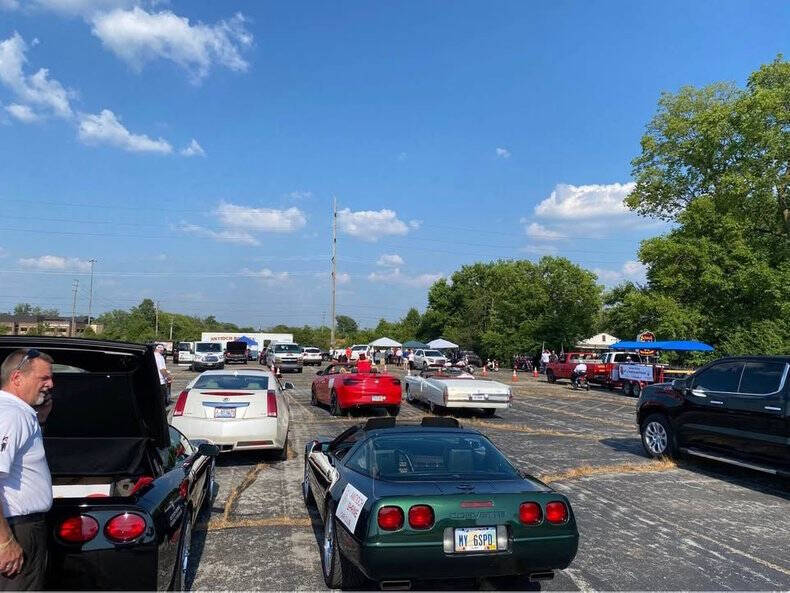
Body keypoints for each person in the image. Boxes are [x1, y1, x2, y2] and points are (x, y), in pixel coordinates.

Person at [0, 348, 55, 591]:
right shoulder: (12, 414)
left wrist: (40, 420)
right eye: (43, 378)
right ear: (17, 378)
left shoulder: (19, 412)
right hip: (16, 528)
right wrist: (4, 542)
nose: (50, 384)